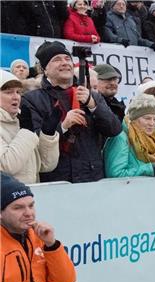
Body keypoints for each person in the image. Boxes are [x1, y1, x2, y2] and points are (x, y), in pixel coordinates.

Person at [20, 41, 121, 183]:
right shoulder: (31, 99)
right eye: (57, 59)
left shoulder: (92, 96)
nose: (64, 63)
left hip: (92, 177)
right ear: (45, 69)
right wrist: (63, 126)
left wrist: (92, 105)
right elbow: (32, 141)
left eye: (67, 59)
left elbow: (114, 129)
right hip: (57, 179)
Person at [1, 71, 60, 184]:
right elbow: (7, 165)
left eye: (18, 92)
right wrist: (27, 132)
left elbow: (46, 166)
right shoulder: (24, 126)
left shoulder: (20, 121)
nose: (16, 97)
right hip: (6, 199)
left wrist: (48, 134)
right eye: (9, 92)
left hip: (30, 196)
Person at [103, 93, 155, 178]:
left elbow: (150, 166)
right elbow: (115, 173)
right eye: (147, 118)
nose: (152, 123)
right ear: (134, 119)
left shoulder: (154, 138)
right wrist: (148, 169)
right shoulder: (121, 138)